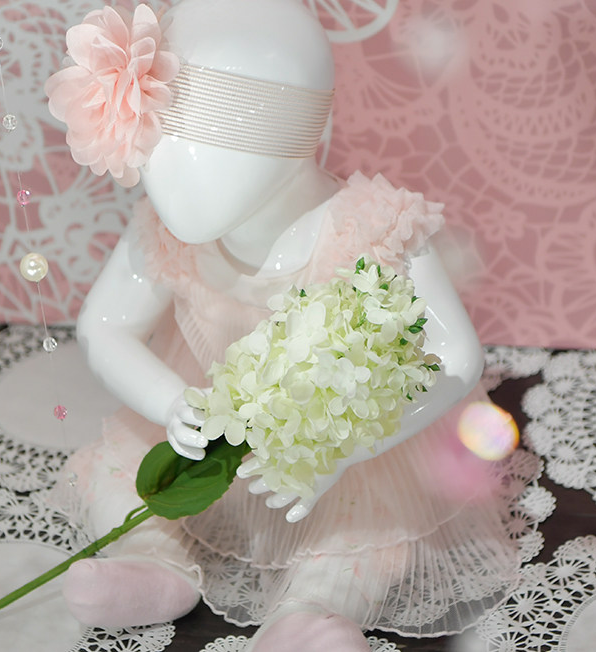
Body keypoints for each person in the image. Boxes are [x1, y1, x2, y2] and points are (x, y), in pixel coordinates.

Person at [45, 1, 521, 649]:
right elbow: (104, 326)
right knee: (127, 466)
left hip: (334, 449)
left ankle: (314, 609)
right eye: (157, 135)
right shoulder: (163, 235)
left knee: (359, 521)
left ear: (297, 130)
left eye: (212, 136)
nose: (173, 169)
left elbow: (454, 358)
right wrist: (171, 402)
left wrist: (345, 447)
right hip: (201, 436)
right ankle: (151, 559)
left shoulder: (368, 231)